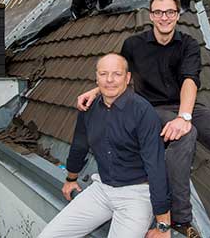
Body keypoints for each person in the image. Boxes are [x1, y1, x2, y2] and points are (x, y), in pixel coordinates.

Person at [76, 0, 210, 238]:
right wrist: (96, 91)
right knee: (186, 136)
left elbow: (189, 81)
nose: (164, 17)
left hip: (186, 104)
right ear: (151, 15)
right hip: (150, 109)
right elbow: (117, 74)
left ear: (177, 15)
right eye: (159, 12)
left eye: (170, 12)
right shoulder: (133, 45)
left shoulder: (189, 44)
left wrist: (184, 116)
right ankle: (180, 220)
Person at [38, 53, 172, 238]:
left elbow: (155, 165)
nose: (109, 80)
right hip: (102, 188)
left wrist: (163, 224)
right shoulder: (89, 108)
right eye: (103, 73)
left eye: (117, 74)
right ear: (96, 77)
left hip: (136, 195)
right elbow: (79, 145)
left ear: (127, 78)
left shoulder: (143, 112)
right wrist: (70, 179)